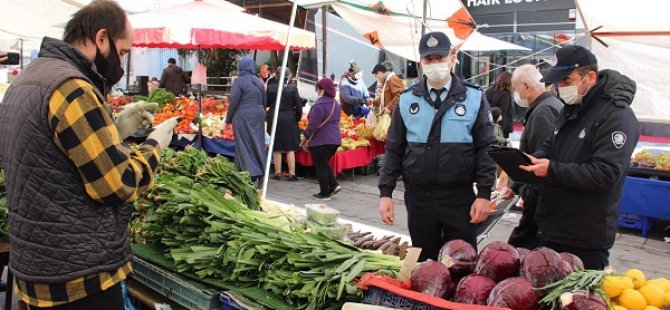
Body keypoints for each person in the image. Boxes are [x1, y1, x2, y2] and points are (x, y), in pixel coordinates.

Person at [0, 1, 177, 308]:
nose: (122, 63)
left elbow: (50, 155)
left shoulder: (28, 79)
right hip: (78, 278)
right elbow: (118, 183)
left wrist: (114, 132)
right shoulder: (72, 88)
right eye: (122, 52)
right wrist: (155, 145)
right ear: (101, 38)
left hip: (36, 270)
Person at [378, 32, 496, 261]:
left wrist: (484, 193)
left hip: (459, 197)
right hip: (419, 198)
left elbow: (486, 149)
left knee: (463, 262)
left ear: (452, 59)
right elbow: (394, 149)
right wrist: (386, 193)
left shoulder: (473, 98)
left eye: (440, 58)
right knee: (425, 264)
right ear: (421, 62)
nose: (434, 65)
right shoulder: (407, 99)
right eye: (428, 60)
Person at [520, 45, 640, 269]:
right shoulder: (572, 107)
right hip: (553, 226)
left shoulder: (616, 116)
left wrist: (552, 170)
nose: (561, 87)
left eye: (567, 80)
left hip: (585, 236)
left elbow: (606, 173)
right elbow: (551, 145)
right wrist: (529, 162)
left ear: (590, 76)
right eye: (558, 82)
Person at [503, 64, 563, 250]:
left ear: (527, 86)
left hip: (540, 196)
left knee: (519, 246)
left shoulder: (543, 111)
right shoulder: (551, 105)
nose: (516, 94)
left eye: (516, 88)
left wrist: (527, 191)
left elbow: (538, 158)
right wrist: (514, 185)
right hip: (544, 194)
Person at [226, 57, 267, 186]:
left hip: (243, 116)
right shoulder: (258, 81)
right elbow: (264, 101)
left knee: (243, 143)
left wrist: (228, 119)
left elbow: (234, 101)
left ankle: (251, 173)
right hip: (258, 114)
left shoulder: (239, 81)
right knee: (257, 142)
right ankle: (256, 170)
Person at [305, 78, 342, 201]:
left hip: (321, 140)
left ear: (322, 90)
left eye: (318, 89)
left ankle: (324, 193)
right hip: (335, 140)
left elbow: (313, 125)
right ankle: (333, 185)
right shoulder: (336, 104)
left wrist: (305, 137)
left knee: (320, 166)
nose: (317, 92)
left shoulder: (319, 105)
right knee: (324, 163)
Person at [266, 68, 303, 181]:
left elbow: (266, 103)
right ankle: (291, 174)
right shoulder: (293, 89)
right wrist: (296, 118)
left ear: (276, 76)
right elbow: (299, 107)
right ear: (289, 76)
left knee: (276, 146)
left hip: (274, 117)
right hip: (288, 118)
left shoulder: (271, 87)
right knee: (289, 146)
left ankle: (277, 173)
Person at [485, 72, 514, 138]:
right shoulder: (505, 94)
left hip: (489, 123)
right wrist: (500, 131)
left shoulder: (489, 90)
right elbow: (503, 112)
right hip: (502, 127)